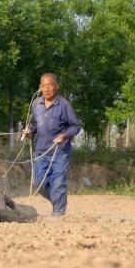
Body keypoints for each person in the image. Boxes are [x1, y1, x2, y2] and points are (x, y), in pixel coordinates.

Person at [23, 73, 81, 216]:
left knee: (58, 185)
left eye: (50, 85)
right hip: (40, 152)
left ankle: (59, 214)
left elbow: (76, 126)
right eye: (44, 85)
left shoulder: (64, 105)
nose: (47, 88)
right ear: (40, 87)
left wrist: (64, 135)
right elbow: (34, 125)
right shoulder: (36, 104)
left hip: (60, 152)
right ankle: (58, 201)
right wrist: (29, 132)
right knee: (39, 184)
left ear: (56, 86)